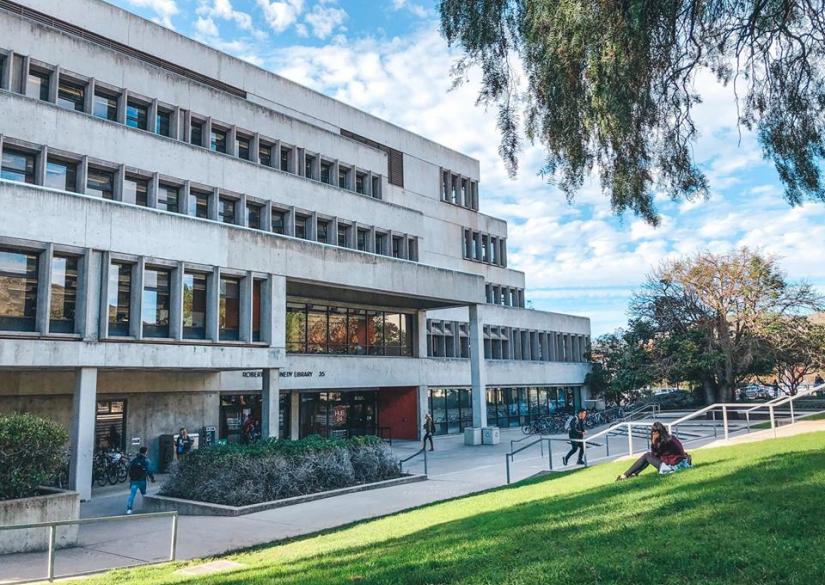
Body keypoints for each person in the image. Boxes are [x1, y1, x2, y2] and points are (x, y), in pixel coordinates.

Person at [616, 422, 691, 481]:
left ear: (659, 432)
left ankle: (625, 475)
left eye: (655, 432)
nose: (654, 434)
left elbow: (654, 455)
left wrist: (653, 442)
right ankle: (633, 474)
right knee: (647, 457)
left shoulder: (665, 442)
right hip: (682, 464)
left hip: (673, 467)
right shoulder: (670, 437)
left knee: (647, 456)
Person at [126, 446, 155, 514]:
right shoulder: (146, 460)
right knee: (144, 494)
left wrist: (131, 478)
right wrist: (152, 478)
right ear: (145, 452)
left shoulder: (134, 460)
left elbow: (130, 469)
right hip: (142, 480)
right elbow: (149, 470)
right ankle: (147, 507)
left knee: (132, 495)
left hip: (134, 480)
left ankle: (129, 509)